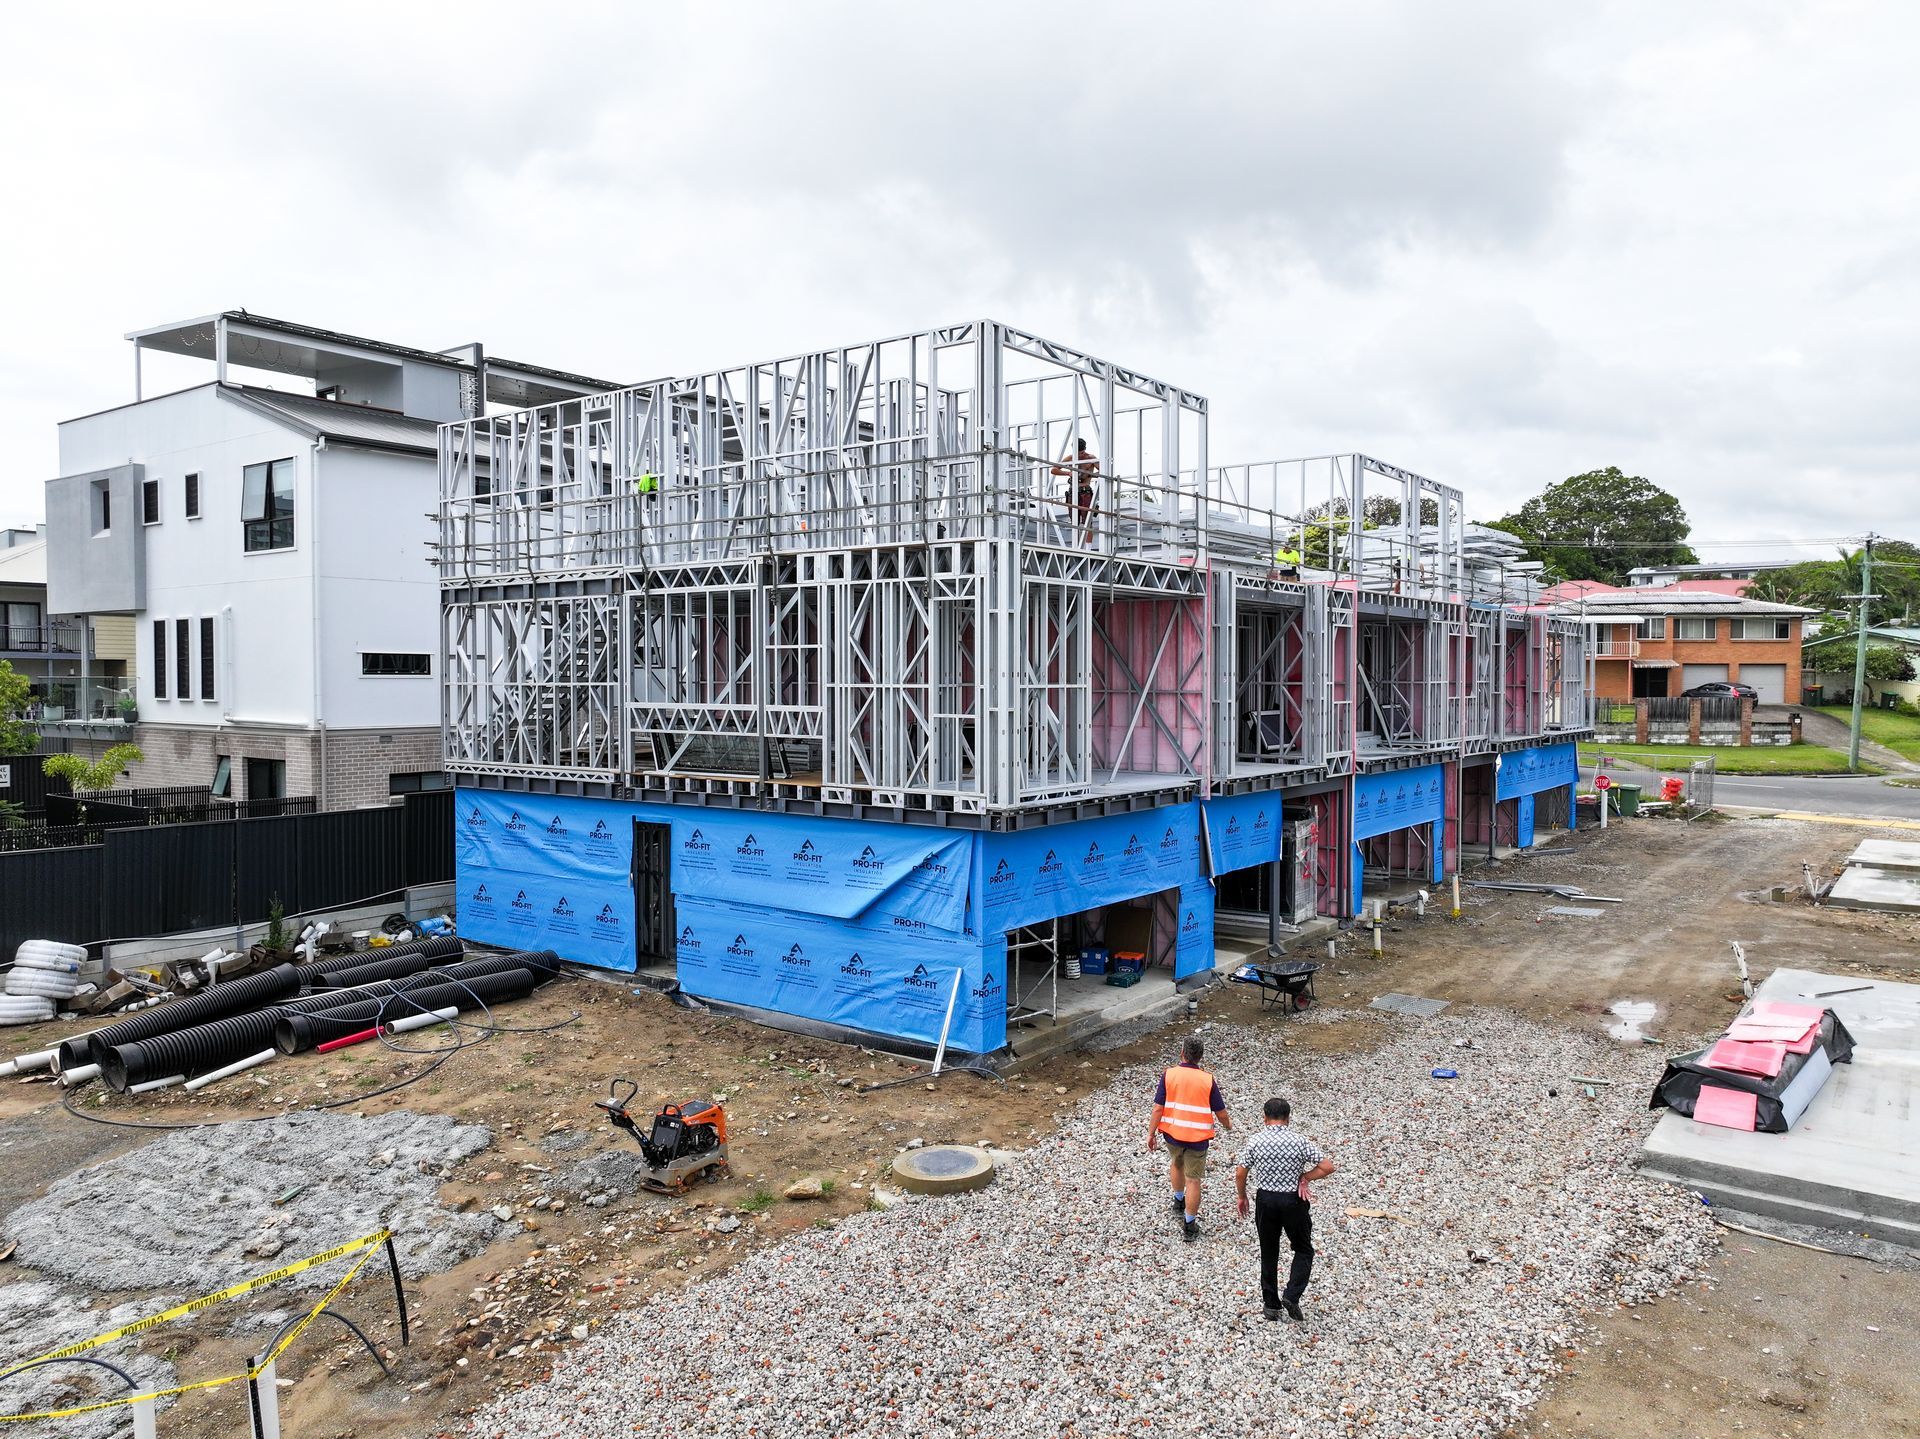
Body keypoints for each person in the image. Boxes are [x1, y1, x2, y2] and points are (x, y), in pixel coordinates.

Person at [1234, 1096, 1336, 1322]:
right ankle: (1292, 1294)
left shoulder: (1256, 1141)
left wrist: (1242, 1196)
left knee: (1269, 1251)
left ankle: (1271, 1305)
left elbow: (1241, 1173)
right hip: (1293, 1200)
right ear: (1288, 1118)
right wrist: (1305, 1177)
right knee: (1303, 1248)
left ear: (1264, 1117)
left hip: (1267, 1200)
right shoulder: (1299, 1141)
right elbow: (1328, 1166)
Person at [1145, 1035, 1232, 1242]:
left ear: (1182, 1053)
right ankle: (1189, 1224)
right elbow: (1221, 1112)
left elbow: (1158, 1108)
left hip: (1173, 1133)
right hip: (1198, 1138)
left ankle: (1178, 1201)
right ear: (1200, 1057)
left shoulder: (1169, 1075)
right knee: (1193, 1179)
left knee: (1176, 1164)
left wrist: (1150, 1133)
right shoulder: (1207, 1080)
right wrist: (1228, 1126)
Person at [1051, 438, 1098, 542]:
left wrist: (1090, 475)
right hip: (1073, 491)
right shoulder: (1070, 458)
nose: (1079, 455)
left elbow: (1103, 471)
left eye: (1081, 453)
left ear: (1084, 450)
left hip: (1085, 491)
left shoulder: (1090, 458)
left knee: (1087, 521)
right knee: (1074, 521)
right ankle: (1076, 546)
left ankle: (1088, 548)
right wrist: (1067, 473)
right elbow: (1054, 469)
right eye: (1076, 453)